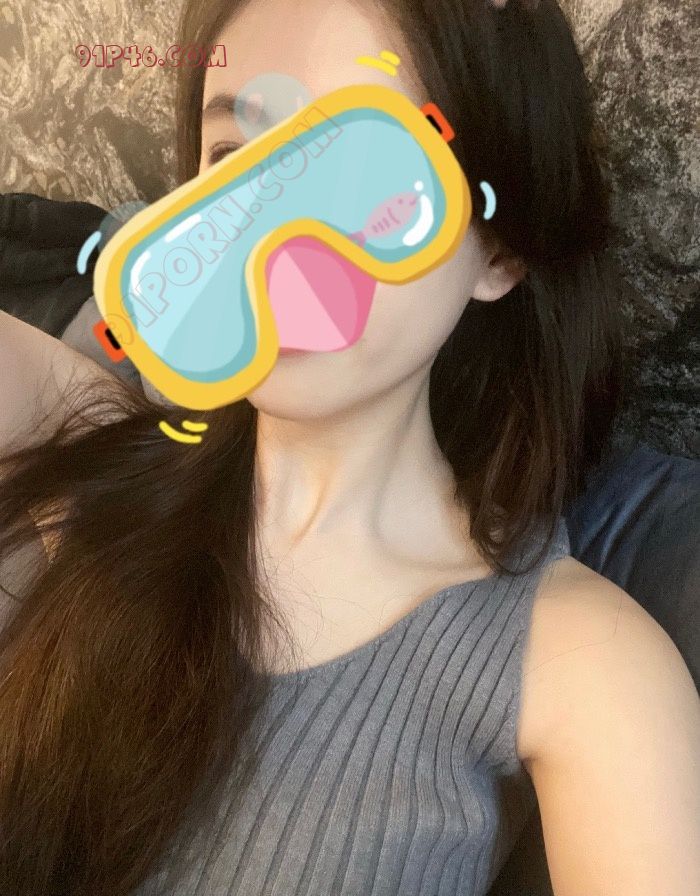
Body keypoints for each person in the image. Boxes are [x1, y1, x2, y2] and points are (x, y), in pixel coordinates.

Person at [0, 0, 698, 894]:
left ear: (497, 253)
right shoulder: (87, 435)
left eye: (366, 165)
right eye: (235, 158)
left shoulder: (584, 663)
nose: (276, 234)